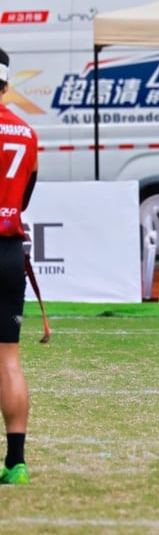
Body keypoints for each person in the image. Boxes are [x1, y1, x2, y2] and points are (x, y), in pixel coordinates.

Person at [0, 48, 38, 485]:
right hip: (9, 253)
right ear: (6, 86)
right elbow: (25, 195)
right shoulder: (26, 133)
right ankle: (16, 463)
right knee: (8, 359)